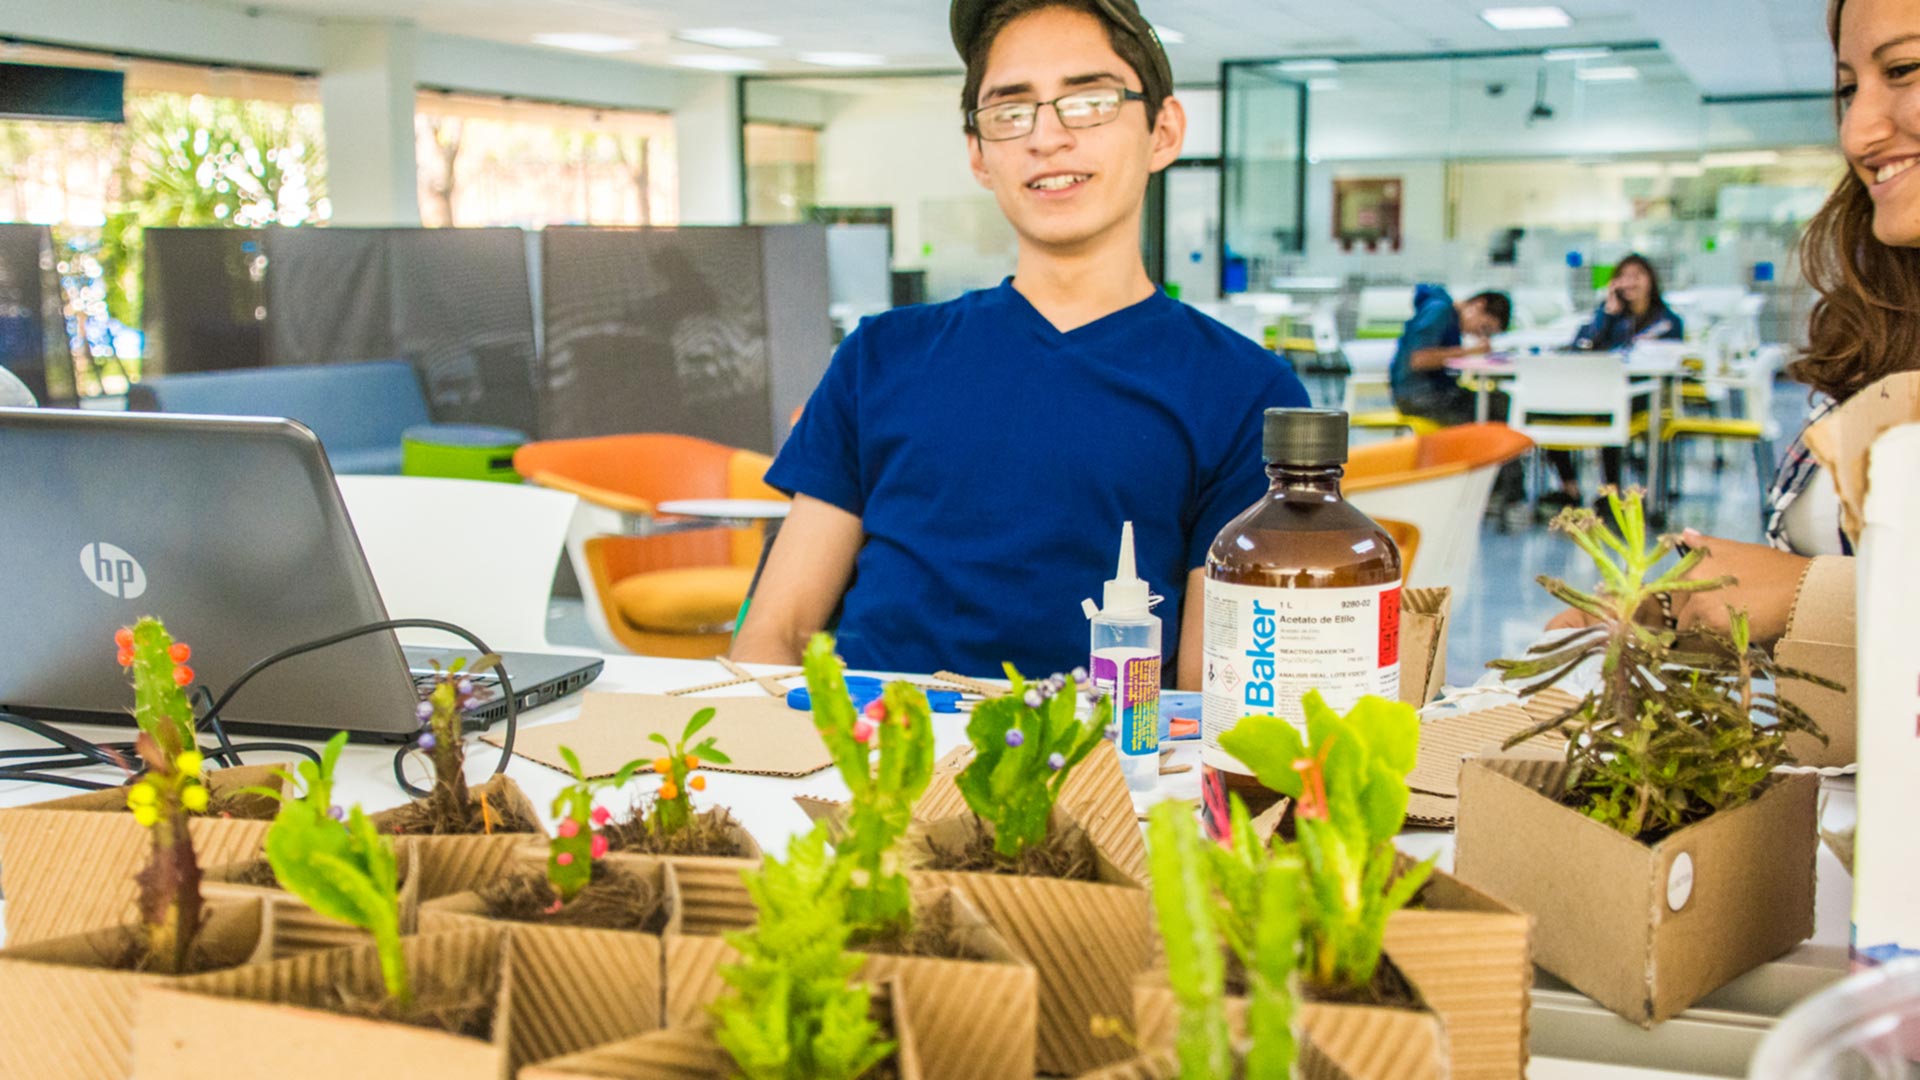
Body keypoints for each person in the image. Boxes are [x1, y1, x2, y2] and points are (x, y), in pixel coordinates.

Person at [730, 0, 1309, 685]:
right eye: (1011, 110)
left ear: (1163, 131)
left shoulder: (1249, 392)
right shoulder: (879, 357)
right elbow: (777, 632)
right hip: (867, 765)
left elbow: (1213, 696)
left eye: (1088, 101)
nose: (1047, 137)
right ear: (979, 153)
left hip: (1099, 775)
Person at [1550, 0, 1913, 648]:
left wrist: (1806, 595)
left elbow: (1827, 588)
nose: (1857, 134)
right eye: (1849, 89)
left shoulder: (1661, 321)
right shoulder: (1895, 325)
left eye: (1906, 69)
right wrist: (1695, 609)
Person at [1543, 254, 1685, 506]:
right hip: (1595, 392)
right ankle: (1569, 487)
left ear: (1650, 280)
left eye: (1636, 276)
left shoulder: (1666, 321)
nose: (1629, 283)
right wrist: (1608, 313)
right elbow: (1581, 347)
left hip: (1640, 394)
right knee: (1549, 406)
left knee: (1612, 409)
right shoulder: (1609, 315)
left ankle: (1612, 492)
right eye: (1623, 277)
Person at [1388, 284, 1514, 428]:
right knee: (1501, 407)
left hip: (1427, 393)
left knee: (1499, 401)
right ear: (1478, 305)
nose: (1479, 334)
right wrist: (1471, 351)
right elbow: (1419, 359)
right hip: (1419, 397)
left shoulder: (1446, 316)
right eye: (1484, 328)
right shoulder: (1439, 311)